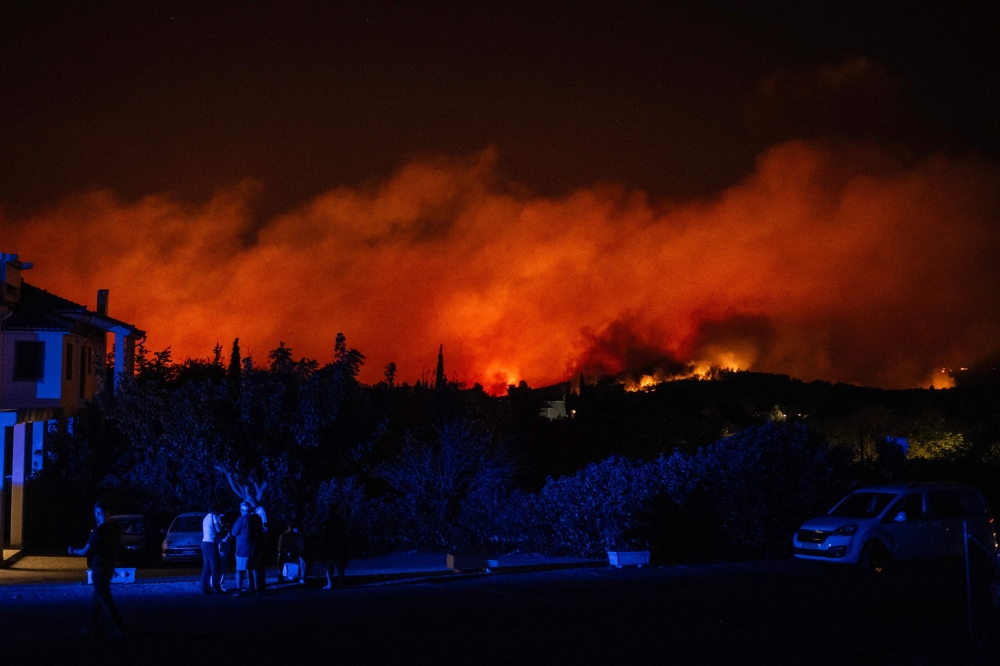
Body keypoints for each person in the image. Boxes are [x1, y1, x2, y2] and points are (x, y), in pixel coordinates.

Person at [68, 500, 127, 636]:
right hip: (109, 567)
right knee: (98, 598)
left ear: (99, 512)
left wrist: (72, 551)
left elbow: (84, 551)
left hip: (99, 568)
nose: (97, 516)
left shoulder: (98, 531)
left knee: (105, 599)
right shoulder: (115, 529)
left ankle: (119, 629)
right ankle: (88, 628)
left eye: (97, 513)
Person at [229, 502, 259, 596]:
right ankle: (256, 589)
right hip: (254, 547)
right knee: (253, 569)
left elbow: (234, 533)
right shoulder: (256, 519)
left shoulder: (241, 519)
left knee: (240, 570)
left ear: (242, 510)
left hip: (242, 549)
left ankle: (239, 590)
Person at [321, 509, 349, 589]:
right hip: (339, 546)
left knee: (330, 567)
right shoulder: (340, 521)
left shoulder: (327, 521)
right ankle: (341, 583)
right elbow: (344, 533)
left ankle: (330, 584)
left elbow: (324, 535)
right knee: (339, 567)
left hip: (330, 547)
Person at [200, 505, 224, 594]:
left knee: (206, 566)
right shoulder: (213, 516)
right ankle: (216, 588)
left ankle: (205, 588)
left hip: (204, 543)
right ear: (215, 511)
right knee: (215, 566)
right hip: (211, 543)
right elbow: (218, 529)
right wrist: (223, 527)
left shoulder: (206, 518)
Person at [253, 503, 269, 590]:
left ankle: (260, 585)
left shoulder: (260, 511)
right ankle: (256, 585)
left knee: (258, 563)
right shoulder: (254, 512)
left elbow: (265, 526)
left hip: (258, 540)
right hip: (255, 540)